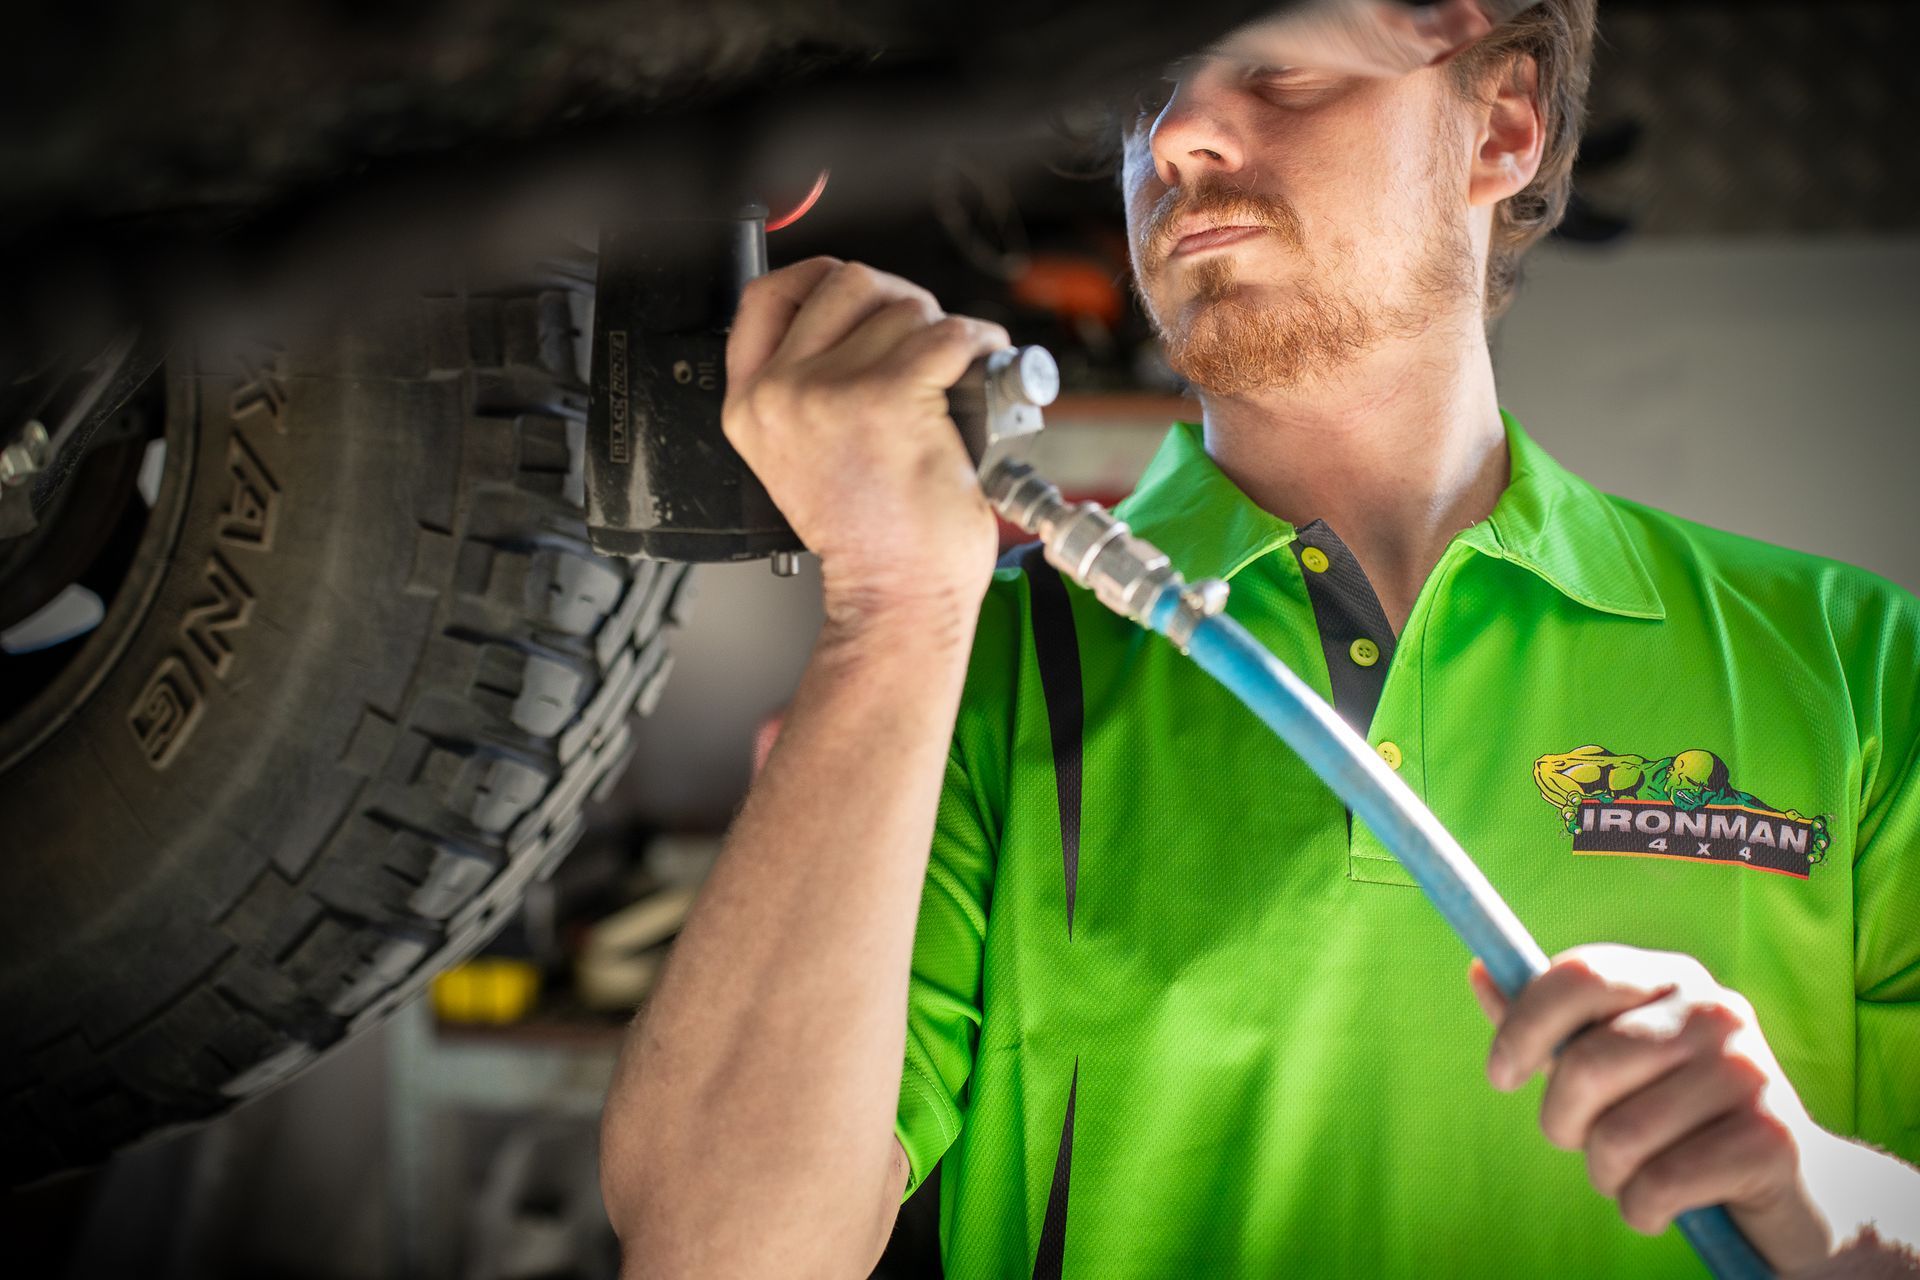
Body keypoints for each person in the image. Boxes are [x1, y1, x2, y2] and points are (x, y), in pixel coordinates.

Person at [598, 0, 1920, 1274]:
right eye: (1146, 88)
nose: (1176, 135)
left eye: (1284, 71)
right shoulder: (970, 670)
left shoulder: (1852, 662)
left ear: (1502, 123)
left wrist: (1819, 1191)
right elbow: (711, 1257)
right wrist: (892, 609)